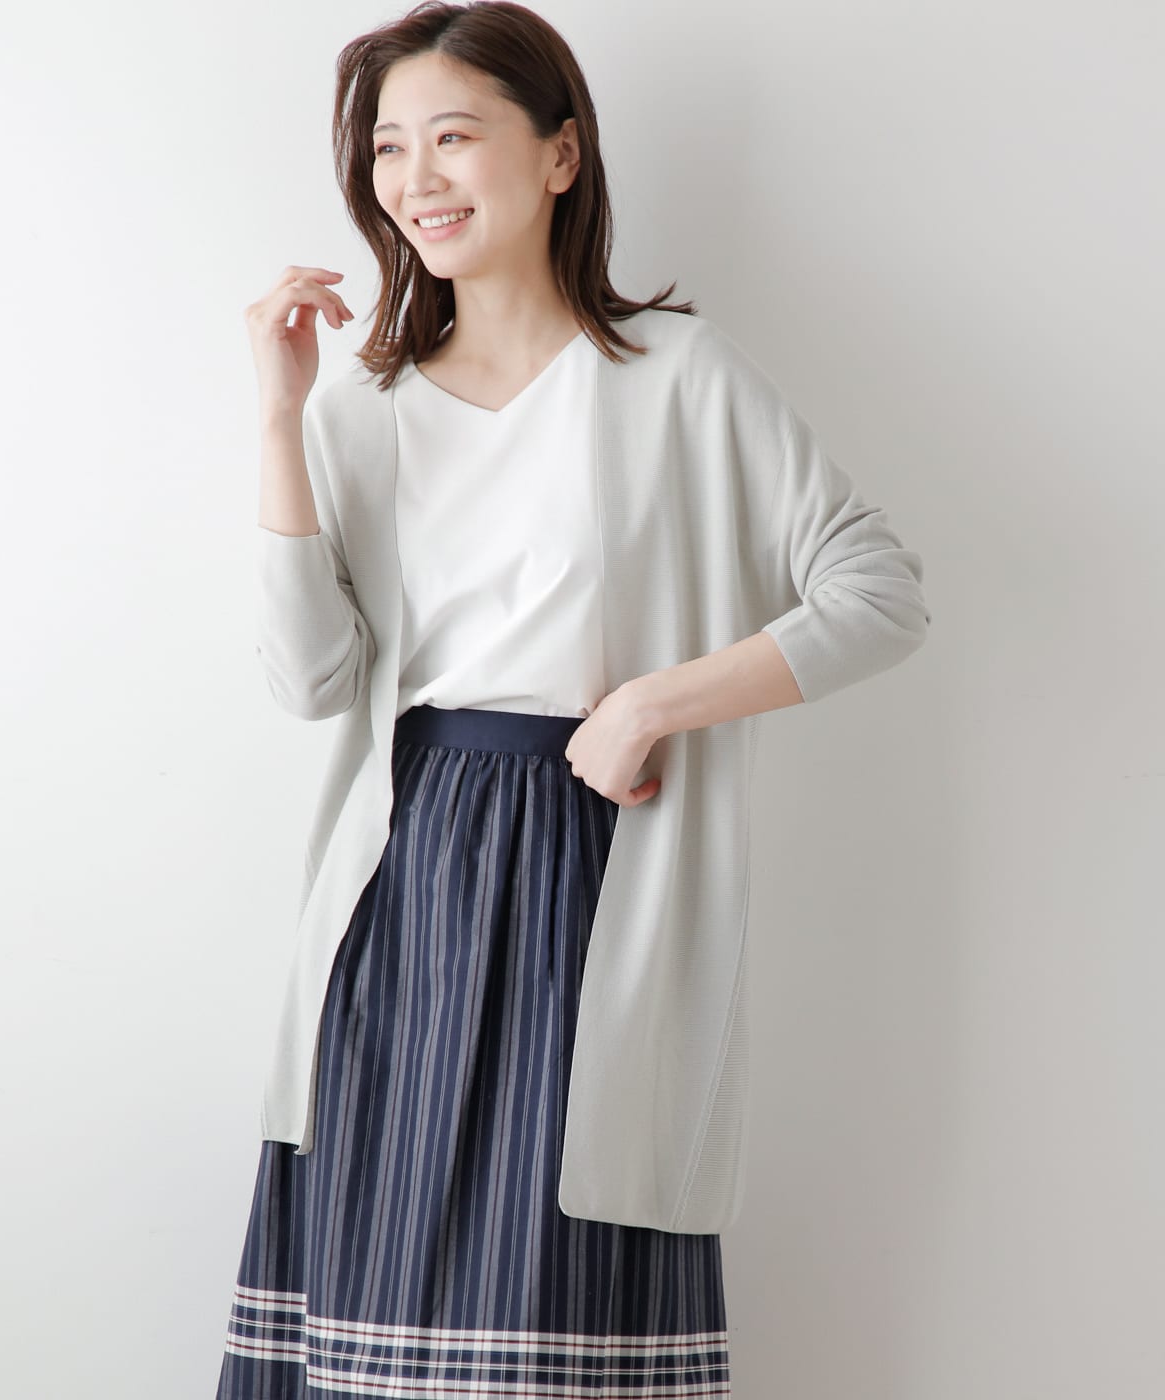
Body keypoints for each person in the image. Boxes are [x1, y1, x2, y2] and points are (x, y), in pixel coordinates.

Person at [217, 2, 930, 1395]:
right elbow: (311, 682)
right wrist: (279, 419)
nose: (415, 177)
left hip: (596, 869)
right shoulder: (362, 410)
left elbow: (878, 592)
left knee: (559, 1297)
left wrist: (655, 703)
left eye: (453, 136)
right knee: (381, 1297)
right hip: (404, 881)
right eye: (388, 148)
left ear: (560, 154)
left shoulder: (676, 377)